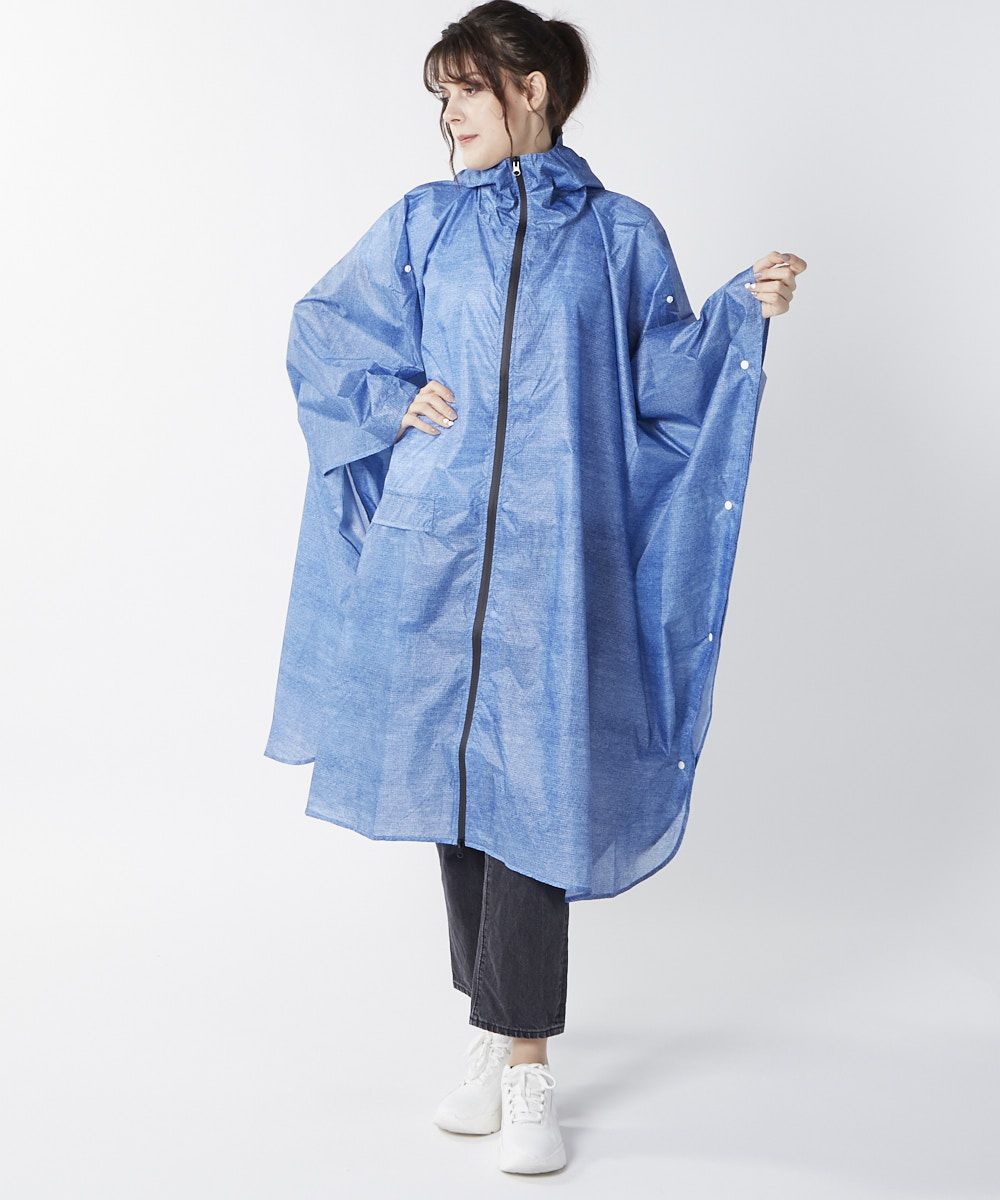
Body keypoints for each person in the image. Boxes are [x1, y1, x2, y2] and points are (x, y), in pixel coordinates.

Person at [264, 0, 805, 1176]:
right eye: (440, 96)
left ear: (531, 89)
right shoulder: (423, 224)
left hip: (554, 566)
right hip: (436, 552)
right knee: (458, 791)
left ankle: (525, 1066)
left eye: (465, 89)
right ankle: (492, 1024)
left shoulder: (617, 234)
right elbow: (322, 329)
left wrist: (738, 314)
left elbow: (666, 380)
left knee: (535, 796)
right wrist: (387, 400)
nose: (449, 114)